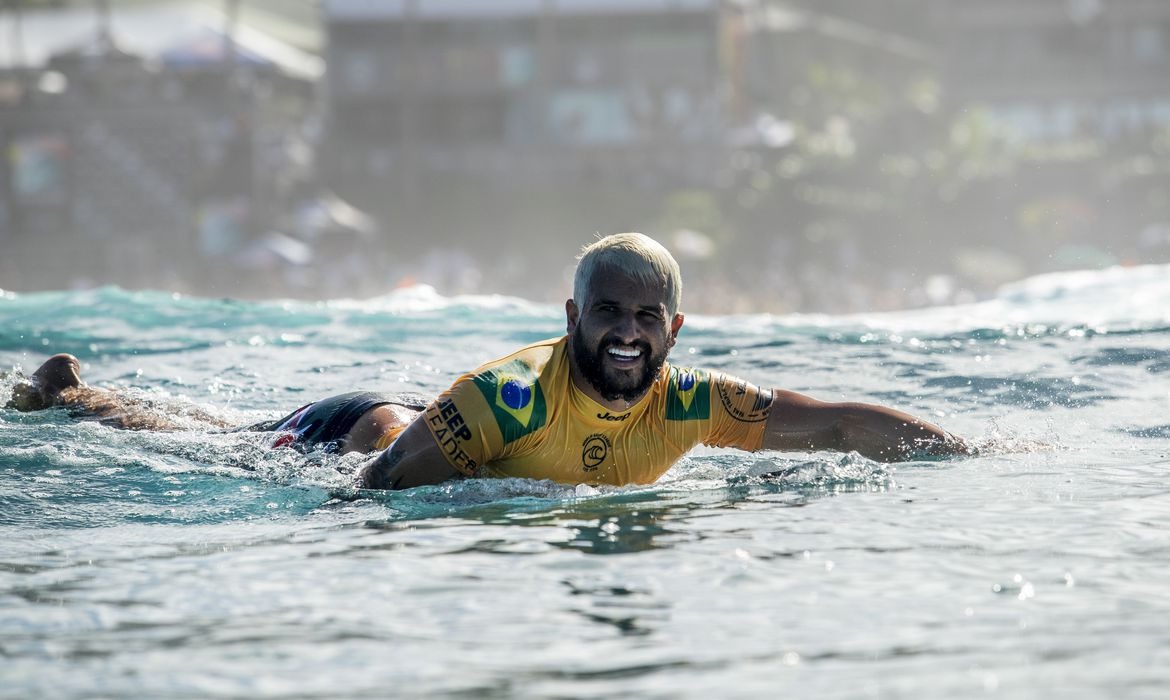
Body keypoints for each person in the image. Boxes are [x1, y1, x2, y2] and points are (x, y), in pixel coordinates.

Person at [358, 233, 969, 490]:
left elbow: (841, 426)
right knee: (385, 427)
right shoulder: (510, 399)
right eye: (608, 313)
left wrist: (971, 458)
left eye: (648, 317)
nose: (628, 333)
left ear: (673, 330)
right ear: (573, 317)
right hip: (343, 426)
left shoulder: (692, 402)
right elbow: (373, 490)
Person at [6, 353, 421, 455]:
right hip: (370, 423)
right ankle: (62, 391)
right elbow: (383, 467)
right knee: (200, 438)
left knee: (225, 432)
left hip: (367, 411)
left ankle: (79, 390)